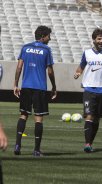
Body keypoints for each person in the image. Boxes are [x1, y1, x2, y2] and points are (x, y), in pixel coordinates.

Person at [74, 28, 102, 153]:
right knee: (89, 116)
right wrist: (78, 73)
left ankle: (91, 142)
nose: (101, 41)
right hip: (89, 88)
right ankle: (87, 144)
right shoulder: (87, 53)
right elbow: (81, 66)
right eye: (99, 39)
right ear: (94, 40)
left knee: (97, 118)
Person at [13, 25, 57, 156]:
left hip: (26, 86)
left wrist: (15, 84)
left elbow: (19, 67)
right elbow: (50, 71)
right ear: (43, 37)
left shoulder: (25, 48)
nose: (50, 38)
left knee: (23, 115)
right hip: (40, 88)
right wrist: (54, 86)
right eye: (49, 36)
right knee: (38, 119)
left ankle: (17, 145)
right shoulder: (46, 50)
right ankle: (36, 150)